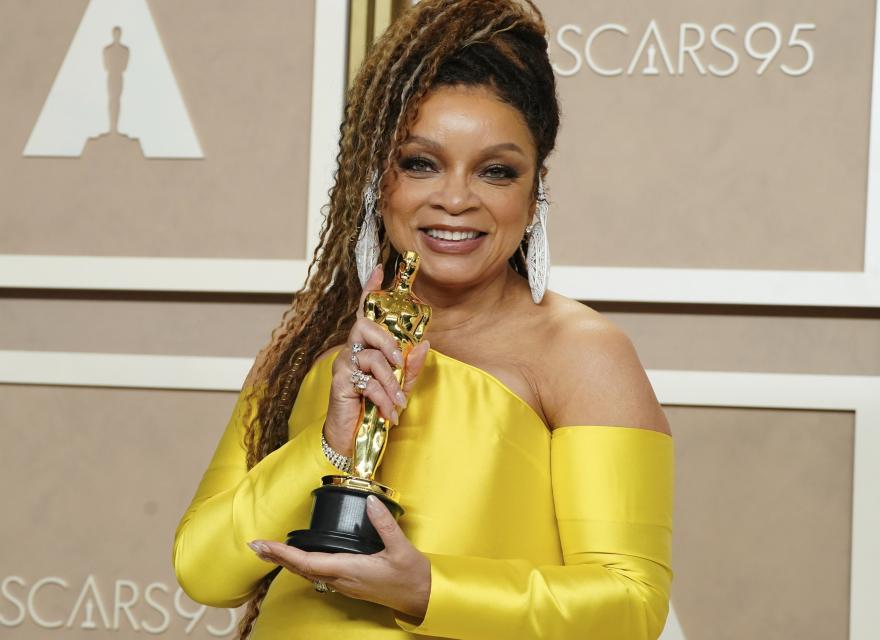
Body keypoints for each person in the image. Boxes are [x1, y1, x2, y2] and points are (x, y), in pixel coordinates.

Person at [172, 1, 674, 638]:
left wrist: (428, 590)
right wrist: (325, 446)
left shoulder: (581, 353)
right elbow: (203, 572)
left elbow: (631, 607)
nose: (456, 198)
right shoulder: (314, 345)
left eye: (496, 170)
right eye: (420, 162)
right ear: (376, 177)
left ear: (534, 187)